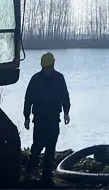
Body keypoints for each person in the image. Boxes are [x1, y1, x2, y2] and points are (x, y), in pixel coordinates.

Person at [23, 52, 71, 185]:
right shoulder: (35, 79)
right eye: (45, 68)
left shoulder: (59, 78)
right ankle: (28, 173)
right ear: (42, 67)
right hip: (39, 120)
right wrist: (26, 117)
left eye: (49, 68)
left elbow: (65, 96)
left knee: (50, 150)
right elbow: (28, 99)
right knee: (36, 148)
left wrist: (66, 112)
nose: (47, 71)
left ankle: (47, 176)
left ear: (53, 65)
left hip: (54, 119)